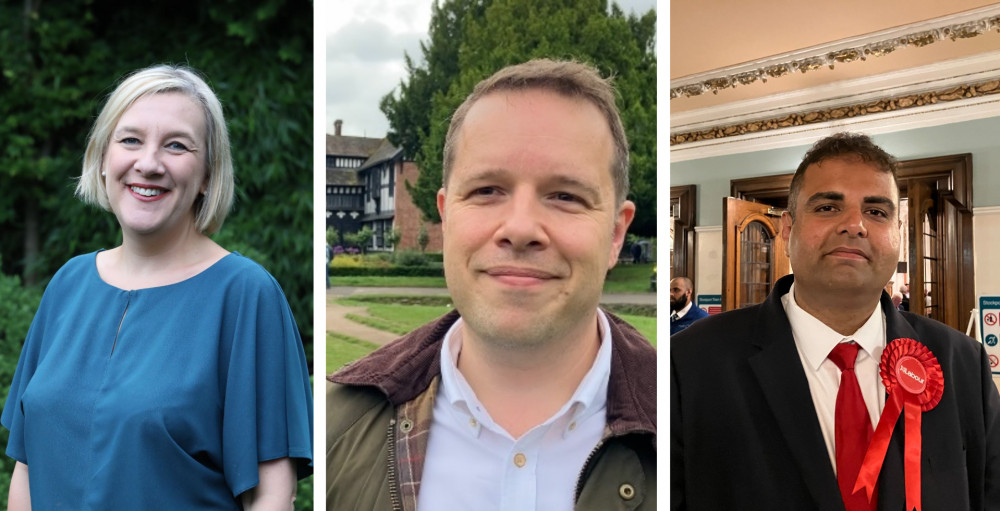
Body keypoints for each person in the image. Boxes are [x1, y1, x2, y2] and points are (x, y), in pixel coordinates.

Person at [327, 59, 656, 510]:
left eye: (565, 196)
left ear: (616, 233)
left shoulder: (696, 425)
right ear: (445, 216)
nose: (520, 228)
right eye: (486, 190)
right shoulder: (334, 428)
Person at [1, 65, 313, 510]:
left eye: (176, 145)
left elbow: (270, 494)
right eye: (130, 140)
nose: (148, 164)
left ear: (207, 174)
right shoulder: (67, 285)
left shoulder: (246, 296)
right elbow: (27, 471)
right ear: (103, 158)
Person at [671, 132, 1000, 509]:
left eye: (876, 212)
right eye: (828, 207)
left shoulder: (962, 363)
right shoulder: (690, 364)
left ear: (897, 234)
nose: (854, 225)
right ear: (788, 230)